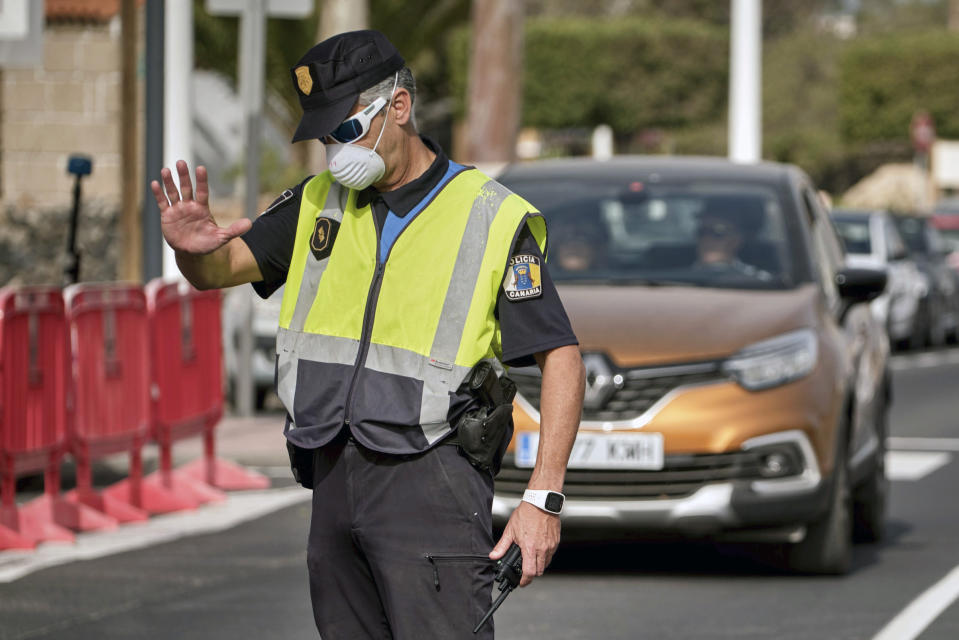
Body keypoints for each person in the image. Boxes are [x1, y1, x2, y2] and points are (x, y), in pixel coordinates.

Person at [150, 30, 585, 639]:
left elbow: (561, 358)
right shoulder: (318, 201)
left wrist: (543, 500)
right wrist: (191, 251)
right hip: (332, 473)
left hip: (432, 479)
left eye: (345, 131)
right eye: (326, 137)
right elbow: (222, 269)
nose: (334, 150)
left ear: (398, 109)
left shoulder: (489, 215)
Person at [693, 203, 773, 281]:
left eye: (718, 232)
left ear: (737, 240)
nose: (707, 239)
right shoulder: (683, 278)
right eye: (702, 232)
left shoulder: (758, 280)